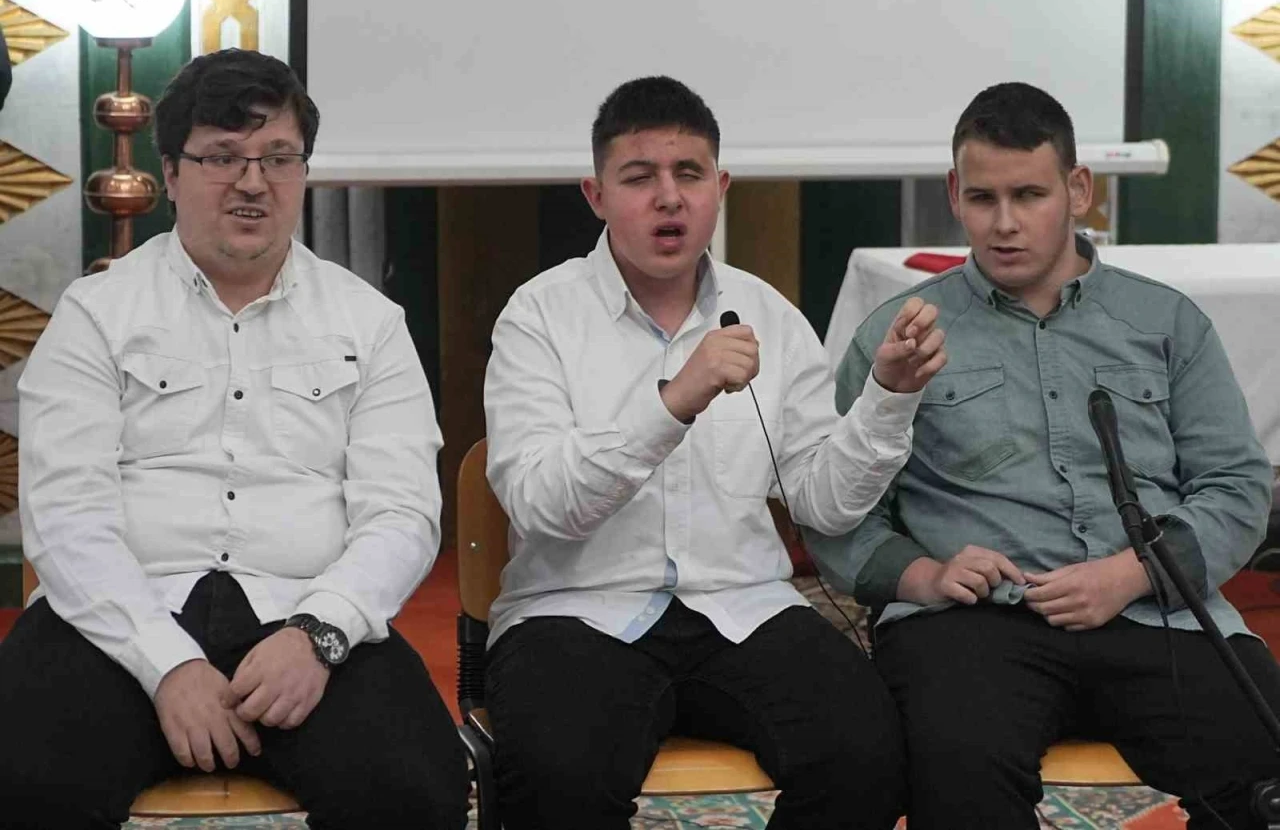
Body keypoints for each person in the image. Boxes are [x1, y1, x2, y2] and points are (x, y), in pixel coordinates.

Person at [0, 48, 468, 829]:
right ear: (171, 172)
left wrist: (319, 634)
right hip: (119, 614)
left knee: (416, 791)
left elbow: (403, 514)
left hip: (306, 612)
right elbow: (65, 516)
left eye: (278, 158)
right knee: (22, 783)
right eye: (222, 156)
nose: (253, 182)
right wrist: (167, 663)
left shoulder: (370, 324)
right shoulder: (96, 314)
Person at [481, 74, 947, 830]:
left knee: (869, 755)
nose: (669, 198)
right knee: (559, 778)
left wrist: (887, 397)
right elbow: (542, 507)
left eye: (689, 174)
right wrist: (673, 402)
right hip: (575, 611)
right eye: (640, 177)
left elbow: (824, 503)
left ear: (720, 188)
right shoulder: (539, 316)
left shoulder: (769, 314)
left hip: (743, 606)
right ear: (596, 195)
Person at [811, 81, 1277, 829]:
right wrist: (925, 575)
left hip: (1156, 613)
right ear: (954, 195)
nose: (1004, 224)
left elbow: (1236, 487)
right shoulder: (901, 333)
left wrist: (1132, 574)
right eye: (982, 198)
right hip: (970, 627)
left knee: (1264, 765)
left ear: (1078, 189)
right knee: (957, 777)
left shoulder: (1166, 323)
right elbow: (836, 511)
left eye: (1029, 195)